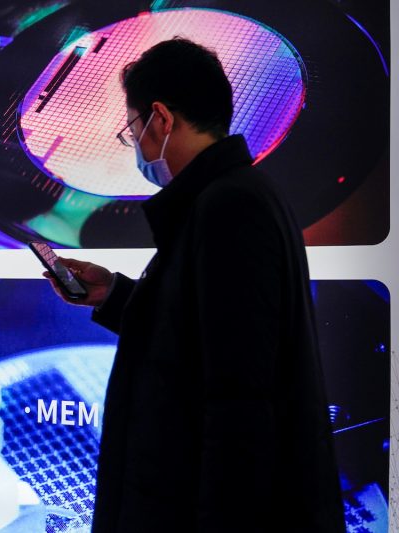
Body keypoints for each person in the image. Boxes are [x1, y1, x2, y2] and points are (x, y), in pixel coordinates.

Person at [45, 38, 345, 532]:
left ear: (161, 119)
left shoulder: (230, 207)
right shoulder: (226, 198)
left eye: (133, 128)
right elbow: (197, 336)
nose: (136, 146)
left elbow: (239, 402)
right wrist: (117, 295)